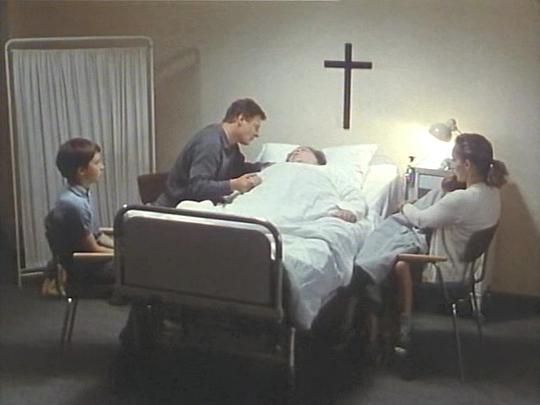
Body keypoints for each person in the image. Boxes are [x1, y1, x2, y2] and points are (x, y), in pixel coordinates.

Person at [351, 133, 508, 350]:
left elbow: (421, 219)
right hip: (467, 272)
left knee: (391, 265)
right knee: (425, 211)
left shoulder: (462, 199)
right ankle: (382, 331)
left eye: (454, 160)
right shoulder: (492, 193)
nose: (452, 165)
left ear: (467, 164)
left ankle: (389, 332)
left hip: (443, 273)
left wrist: (405, 206)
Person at [155, 98, 267, 207]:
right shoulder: (210, 143)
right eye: (255, 127)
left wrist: (265, 167)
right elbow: (198, 187)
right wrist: (233, 185)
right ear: (241, 119)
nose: (257, 134)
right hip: (174, 209)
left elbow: (239, 168)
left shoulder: (231, 145)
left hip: (195, 206)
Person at [42, 138, 117, 299]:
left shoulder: (80, 193)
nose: (102, 167)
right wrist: (124, 255)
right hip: (85, 267)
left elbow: (97, 235)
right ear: (81, 170)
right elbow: (92, 249)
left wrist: (121, 247)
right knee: (142, 269)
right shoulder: (74, 204)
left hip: (87, 261)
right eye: (97, 163)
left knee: (140, 262)